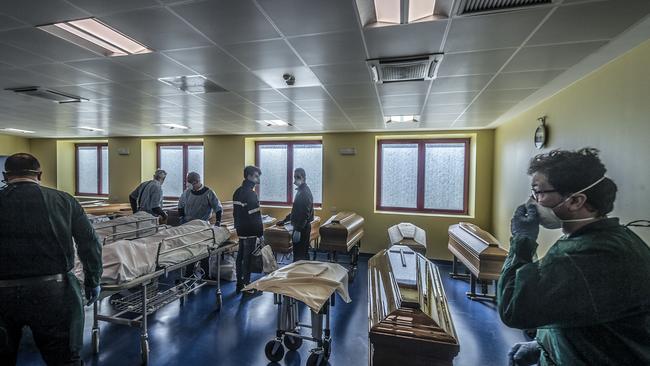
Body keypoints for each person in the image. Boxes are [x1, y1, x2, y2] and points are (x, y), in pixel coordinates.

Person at [497, 148, 650, 366]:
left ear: (576, 201)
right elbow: (576, 309)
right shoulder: (612, 238)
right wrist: (543, 346)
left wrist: (522, 240)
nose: (532, 201)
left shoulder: (590, 255)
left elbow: (513, 307)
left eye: (539, 192)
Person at [0, 153, 102, 365]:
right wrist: (93, 280)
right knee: (64, 359)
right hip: (53, 292)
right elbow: (89, 242)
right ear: (40, 174)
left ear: (5, 176)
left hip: (2, 294)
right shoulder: (62, 200)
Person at [232, 165, 263, 294]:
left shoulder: (237, 191)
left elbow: (235, 213)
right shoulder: (251, 194)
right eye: (256, 176)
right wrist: (260, 233)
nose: (258, 179)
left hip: (240, 229)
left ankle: (239, 283)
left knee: (240, 257)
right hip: (250, 230)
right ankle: (247, 285)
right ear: (249, 176)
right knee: (248, 258)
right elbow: (255, 216)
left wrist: (238, 226)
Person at [277, 168, 314, 262]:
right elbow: (296, 211)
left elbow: (305, 214)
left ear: (304, 178)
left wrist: (298, 230)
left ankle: (301, 275)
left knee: (300, 256)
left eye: (298, 177)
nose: (295, 179)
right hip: (300, 227)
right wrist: (284, 221)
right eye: (295, 177)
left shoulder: (304, 192)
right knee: (299, 253)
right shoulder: (300, 191)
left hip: (302, 228)